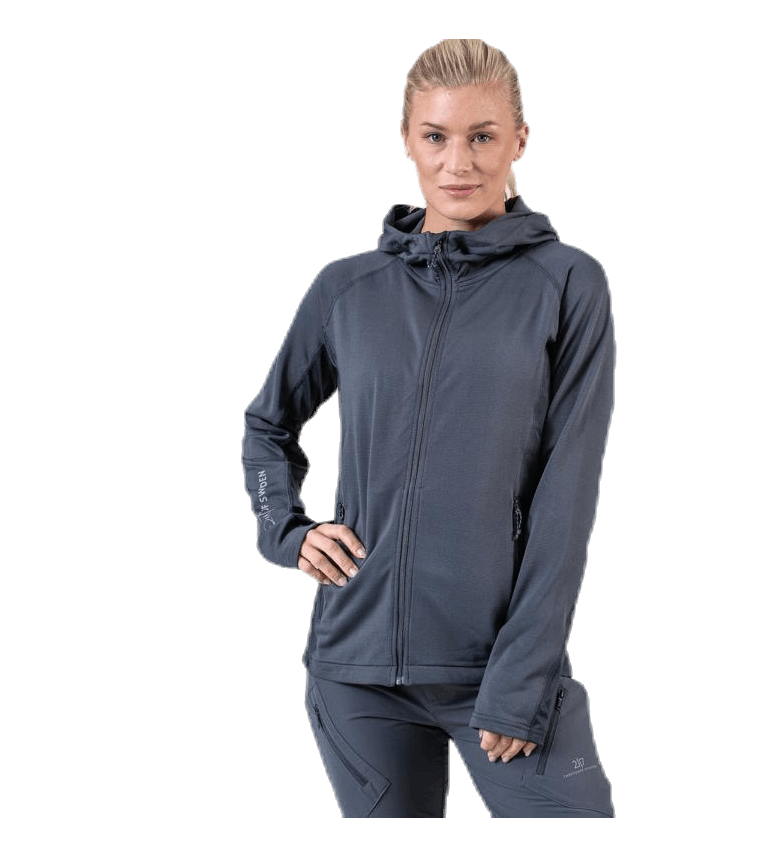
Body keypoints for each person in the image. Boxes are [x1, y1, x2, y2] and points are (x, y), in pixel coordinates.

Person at [241, 39, 616, 818]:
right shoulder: (347, 285)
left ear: (519, 139)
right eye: (436, 136)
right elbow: (268, 423)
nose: (458, 162)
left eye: (482, 135)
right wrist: (285, 529)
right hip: (354, 668)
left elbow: (568, 492)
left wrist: (521, 678)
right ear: (407, 139)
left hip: (497, 667)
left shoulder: (566, 282)